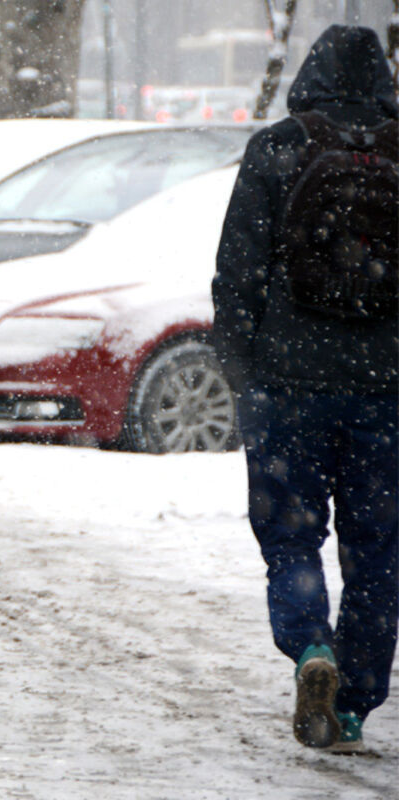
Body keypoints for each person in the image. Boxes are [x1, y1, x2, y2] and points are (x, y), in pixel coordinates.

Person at [211, 25, 398, 754]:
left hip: (288, 383)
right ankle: (351, 707)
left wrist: (242, 372)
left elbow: (237, 273)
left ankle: (311, 645)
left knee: (292, 536)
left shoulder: (279, 147)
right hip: (386, 390)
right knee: (378, 551)